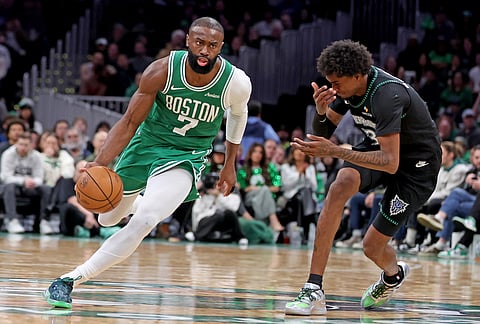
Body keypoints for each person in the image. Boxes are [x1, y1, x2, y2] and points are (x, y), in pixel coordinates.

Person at [43, 16, 251, 309]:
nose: (205, 50)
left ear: (221, 48)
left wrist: (230, 163)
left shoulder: (236, 82)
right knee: (107, 217)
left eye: (212, 45)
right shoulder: (161, 70)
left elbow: (238, 116)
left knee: (144, 222)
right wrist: (99, 164)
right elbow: (128, 122)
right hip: (147, 144)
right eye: (200, 43)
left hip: (187, 156)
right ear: (188, 41)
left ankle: (70, 280)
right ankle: (142, 201)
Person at [284, 39, 441, 315]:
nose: (333, 88)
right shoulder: (348, 87)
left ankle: (393, 275)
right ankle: (313, 287)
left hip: (415, 169)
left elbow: (390, 164)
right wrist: (321, 112)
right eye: (329, 82)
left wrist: (336, 151)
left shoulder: (386, 94)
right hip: (381, 149)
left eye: (337, 83)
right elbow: (324, 132)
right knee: (340, 183)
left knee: (371, 247)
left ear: (359, 76)